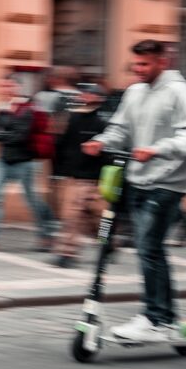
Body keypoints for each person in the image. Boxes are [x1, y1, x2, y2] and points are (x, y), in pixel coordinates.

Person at [83, 39, 186, 342]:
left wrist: (158, 150)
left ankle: (155, 319)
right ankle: (165, 318)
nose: (138, 69)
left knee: (148, 247)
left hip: (169, 183)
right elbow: (121, 129)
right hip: (138, 179)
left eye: (145, 64)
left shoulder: (181, 93)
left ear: (162, 62)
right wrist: (103, 141)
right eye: (136, 64)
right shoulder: (134, 92)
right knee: (151, 249)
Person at [0, 75, 56, 252]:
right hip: (1, 160)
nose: (5, 89)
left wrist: (3, 134)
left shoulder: (28, 108)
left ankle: (47, 235)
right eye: (2, 86)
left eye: (9, 85)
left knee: (32, 200)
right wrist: (4, 134)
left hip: (26, 162)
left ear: (17, 87)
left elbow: (21, 136)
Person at [48, 82, 112, 268]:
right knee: (72, 216)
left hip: (97, 178)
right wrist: (59, 170)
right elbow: (62, 145)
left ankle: (107, 243)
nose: (84, 96)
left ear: (99, 98)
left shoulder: (102, 122)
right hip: (76, 177)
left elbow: (109, 149)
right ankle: (67, 253)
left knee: (98, 218)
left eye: (89, 94)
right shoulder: (73, 118)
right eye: (83, 93)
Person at [33, 66, 79, 220]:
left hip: (58, 145)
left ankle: (55, 215)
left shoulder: (49, 97)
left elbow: (48, 123)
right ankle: (70, 215)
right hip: (78, 147)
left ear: (56, 79)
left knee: (56, 182)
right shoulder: (81, 96)